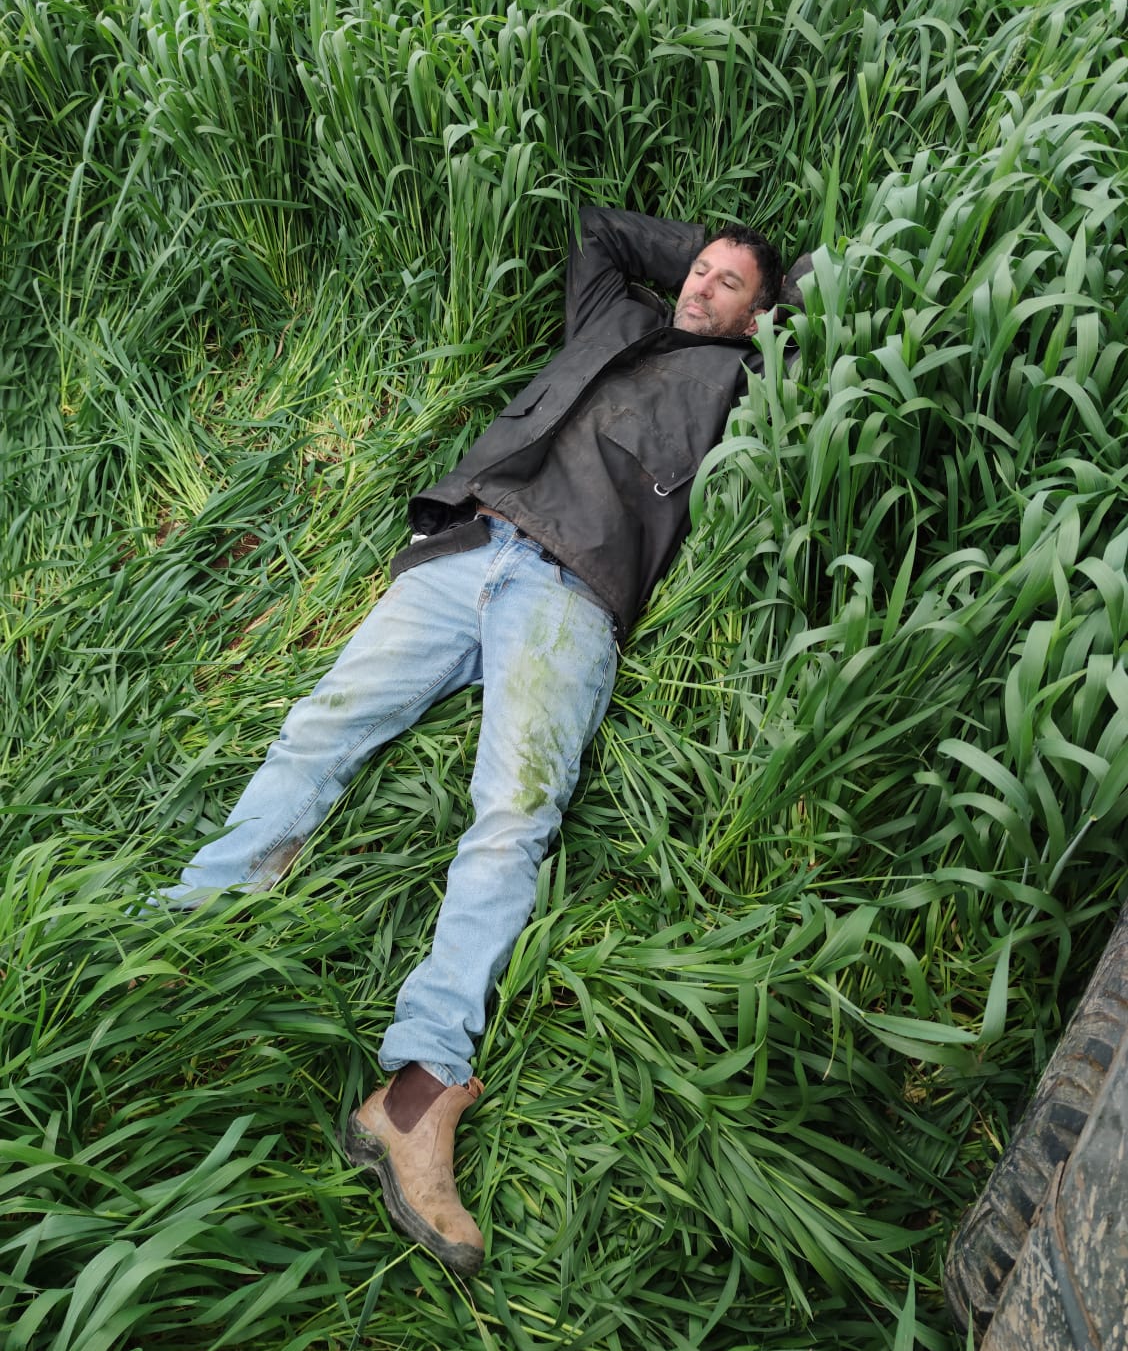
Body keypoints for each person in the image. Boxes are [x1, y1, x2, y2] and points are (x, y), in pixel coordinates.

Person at [159, 207, 785, 1276]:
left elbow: (825, 298)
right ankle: (192, 923)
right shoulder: (613, 314)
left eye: (730, 284)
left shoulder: (746, 378)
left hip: (570, 592)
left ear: (761, 316)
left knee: (512, 817)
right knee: (321, 727)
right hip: (466, 544)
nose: (700, 286)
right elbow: (598, 230)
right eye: (698, 270)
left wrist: (763, 298)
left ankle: (416, 1092)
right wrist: (695, 257)